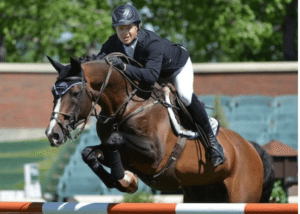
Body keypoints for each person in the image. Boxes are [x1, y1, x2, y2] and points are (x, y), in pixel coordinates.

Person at [97, 4, 225, 167]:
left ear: (137, 27)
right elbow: (99, 60)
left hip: (176, 66)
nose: (125, 33)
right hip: (151, 72)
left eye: (129, 27)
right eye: (120, 28)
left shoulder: (152, 43)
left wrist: (123, 67)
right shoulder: (113, 43)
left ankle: (212, 141)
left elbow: (150, 76)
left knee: (185, 96)